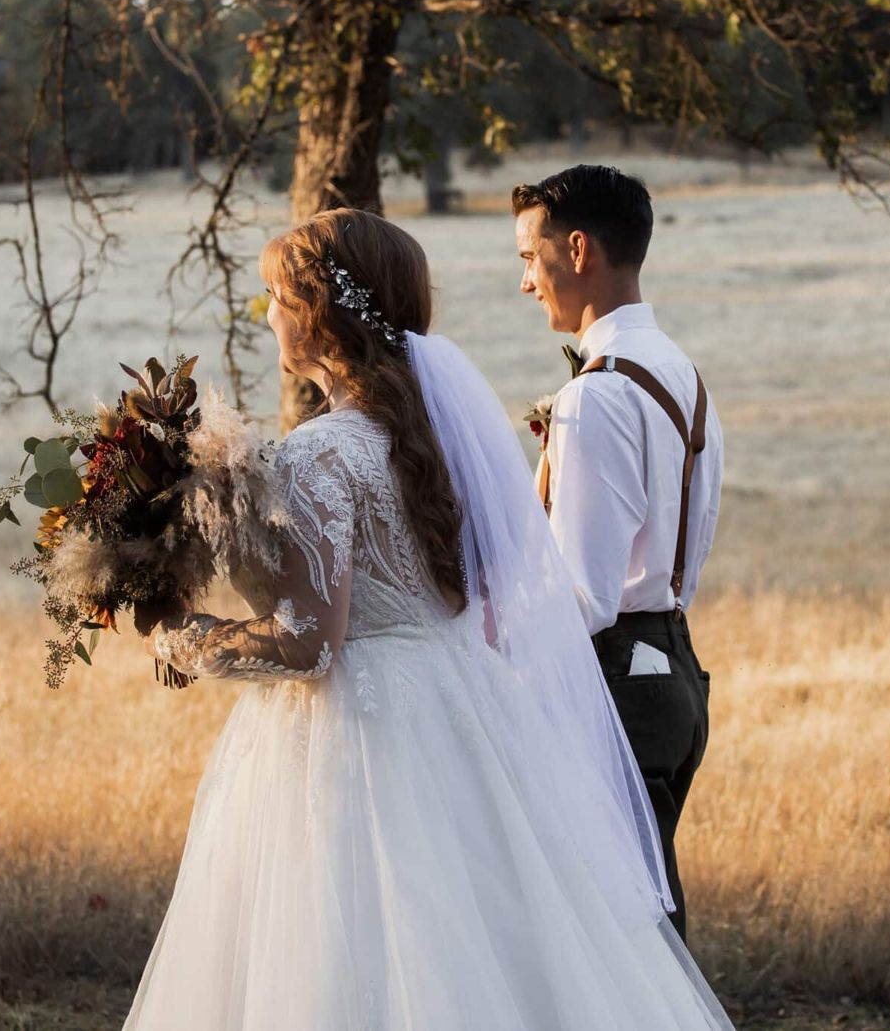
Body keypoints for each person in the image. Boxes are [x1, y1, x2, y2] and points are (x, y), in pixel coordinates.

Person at [129, 208, 732, 1030]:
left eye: (274, 294)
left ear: (315, 308)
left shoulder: (317, 452)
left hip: (355, 739)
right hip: (458, 709)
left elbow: (310, 643)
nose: (266, 313)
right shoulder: (438, 442)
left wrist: (187, 640)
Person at [513, 165, 724, 942]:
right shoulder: (684, 376)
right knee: (645, 923)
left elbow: (582, 597)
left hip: (614, 683)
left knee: (609, 938)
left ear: (576, 250)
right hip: (675, 669)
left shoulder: (597, 396)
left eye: (529, 260)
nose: (525, 283)